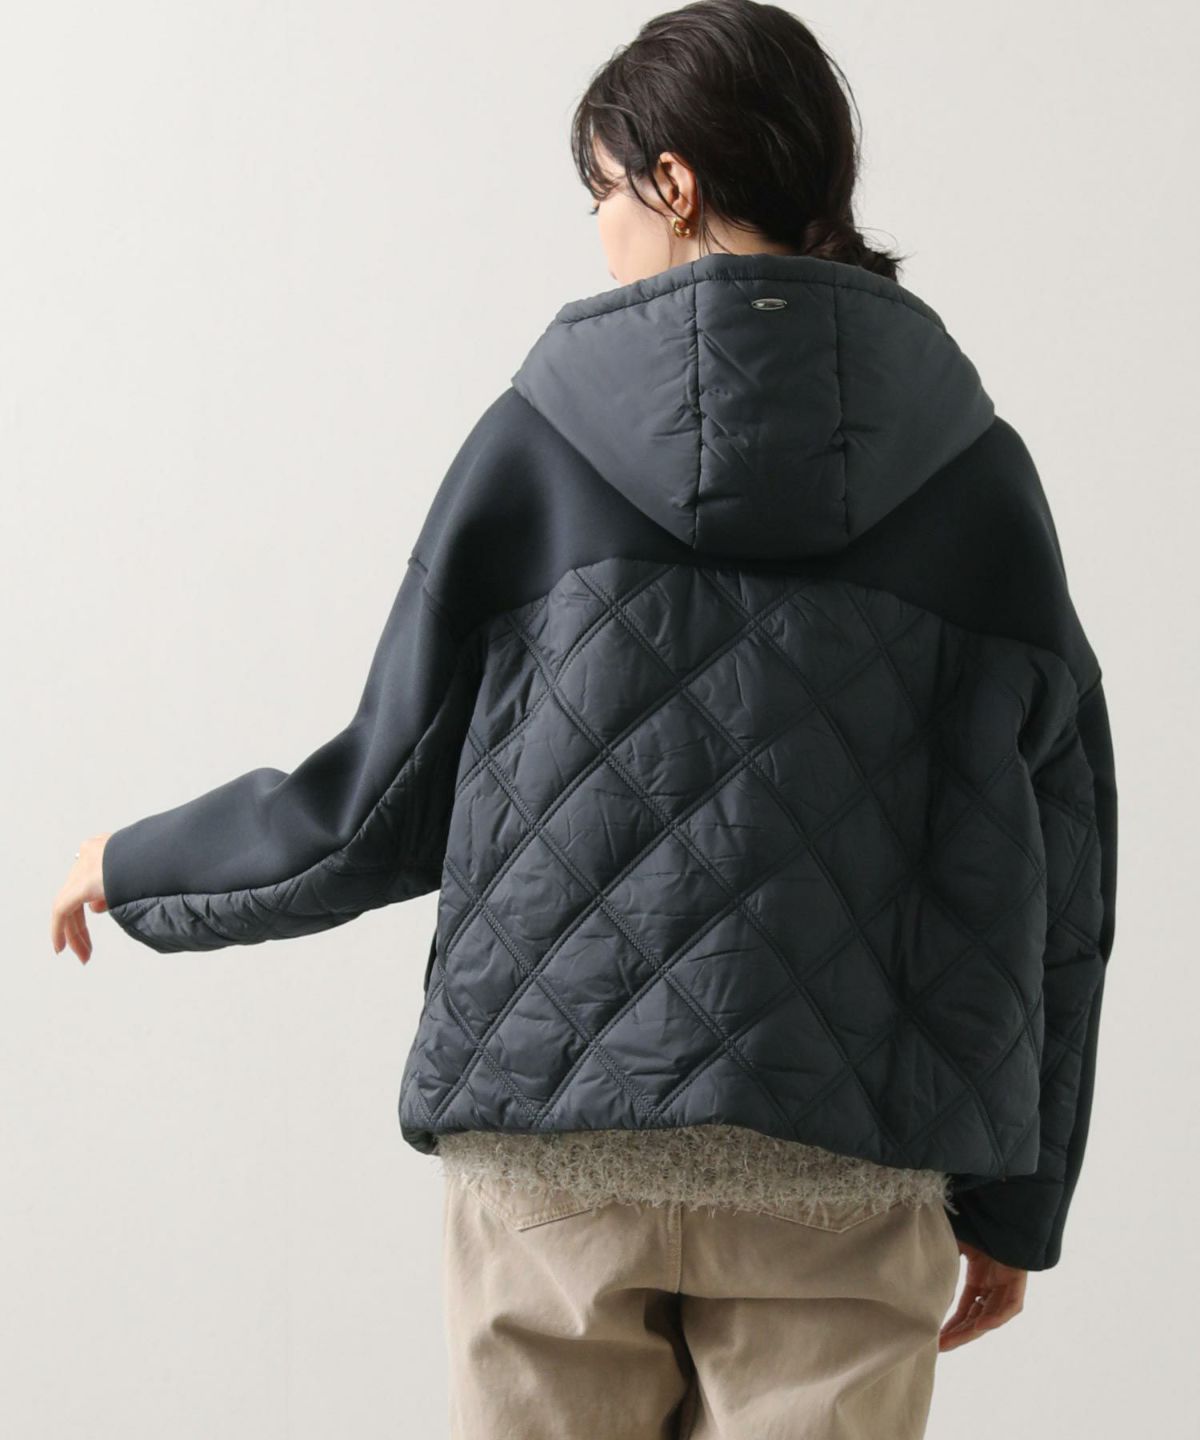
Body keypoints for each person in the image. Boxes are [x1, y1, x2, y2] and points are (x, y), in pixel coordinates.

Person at [50, 2, 1118, 1436]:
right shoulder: (977, 473)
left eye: (603, 194)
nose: (601, 238)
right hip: (849, 1173)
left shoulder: (537, 442)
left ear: (673, 183)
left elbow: (370, 804)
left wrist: (133, 862)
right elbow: (1063, 869)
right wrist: (1021, 1202)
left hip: (552, 1167)